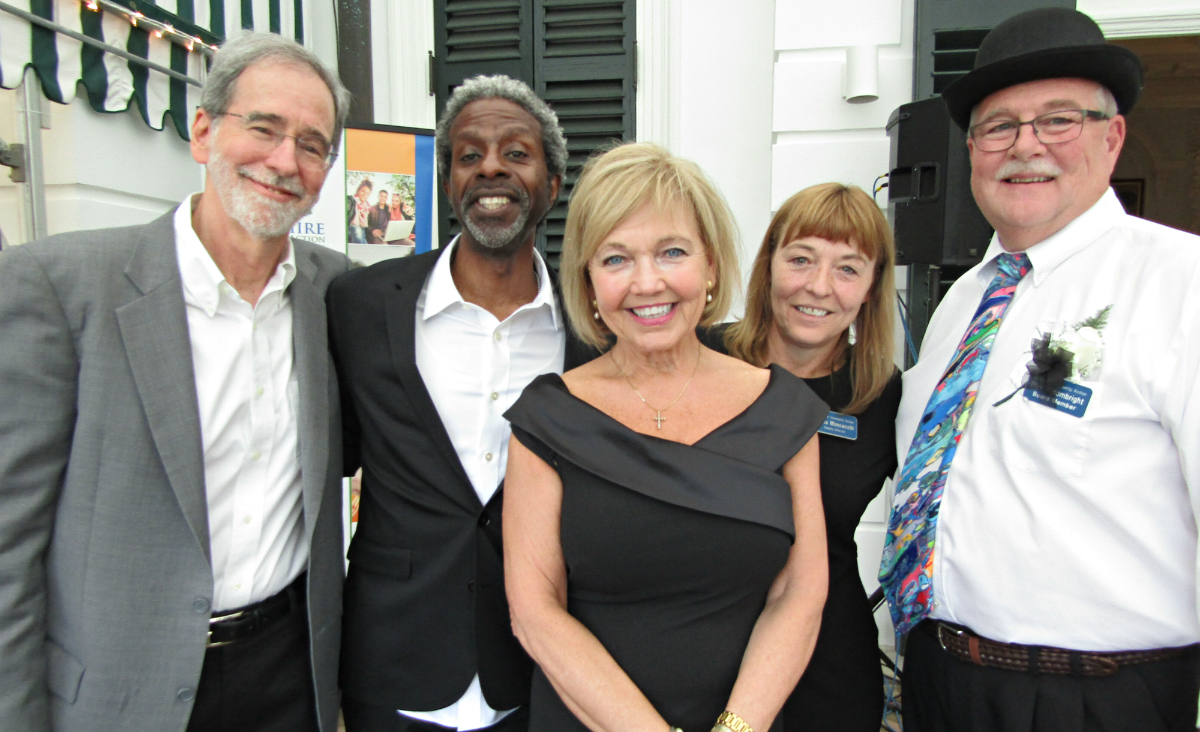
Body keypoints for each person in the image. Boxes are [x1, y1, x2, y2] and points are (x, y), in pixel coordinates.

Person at [0, 32, 351, 732]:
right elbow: (9, 543)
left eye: (312, 145)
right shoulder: (61, 287)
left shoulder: (338, 293)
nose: (285, 161)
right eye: (264, 128)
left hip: (290, 677)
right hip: (120, 693)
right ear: (203, 131)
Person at [880, 8, 1200, 732]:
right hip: (939, 678)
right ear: (973, 149)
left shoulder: (1181, 284)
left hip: (1096, 697)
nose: (1026, 146)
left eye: (1059, 119)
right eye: (999, 127)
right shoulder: (963, 300)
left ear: (1112, 137)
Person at [502, 142, 830, 732]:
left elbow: (799, 594)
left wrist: (735, 728)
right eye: (616, 259)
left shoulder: (783, 411)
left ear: (710, 267)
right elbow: (535, 612)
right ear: (589, 282)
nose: (647, 282)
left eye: (672, 252)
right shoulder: (547, 418)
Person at [329, 74, 597, 732]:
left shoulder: (594, 332)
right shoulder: (360, 305)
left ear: (552, 184)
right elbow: (335, 449)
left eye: (516, 152)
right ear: (449, 182)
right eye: (469, 154)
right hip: (392, 665)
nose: (491, 168)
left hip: (538, 676)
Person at [718, 182, 900, 732]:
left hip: (829, 663)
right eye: (800, 259)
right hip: (702, 645)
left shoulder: (882, 394)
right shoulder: (702, 357)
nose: (819, 286)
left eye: (847, 269)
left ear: (871, 287)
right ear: (769, 265)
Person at [348, 179, 372, 243]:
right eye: (362, 191)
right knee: (358, 230)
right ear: (358, 191)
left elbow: (365, 224)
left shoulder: (366, 205)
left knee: (362, 234)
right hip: (350, 228)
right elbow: (354, 222)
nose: (365, 194)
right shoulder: (352, 200)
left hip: (360, 229)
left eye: (367, 193)